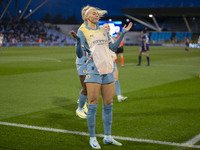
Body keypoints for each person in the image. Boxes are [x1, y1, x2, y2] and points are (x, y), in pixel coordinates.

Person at [70, 6, 132, 149]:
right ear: (86, 17)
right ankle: (92, 138)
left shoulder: (103, 30)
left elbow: (113, 48)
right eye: (93, 13)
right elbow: (80, 54)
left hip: (108, 69)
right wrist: (79, 42)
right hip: (93, 69)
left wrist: (122, 34)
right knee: (92, 105)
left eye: (97, 13)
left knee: (108, 105)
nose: (97, 15)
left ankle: (108, 137)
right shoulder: (82, 30)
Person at [103, 23, 127, 102]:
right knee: (102, 81)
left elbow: (113, 48)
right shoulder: (102, 37)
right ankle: (86, 97)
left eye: (108, 26)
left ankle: (119, 96)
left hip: (112, 61)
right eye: (105, 27)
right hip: (105, 62)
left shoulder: (110, 37)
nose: (107, 28)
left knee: (116, 79)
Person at [75, 23, 88, 119]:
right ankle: (80, 108)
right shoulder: (82, 29)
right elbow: (79, 52)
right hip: (83, 62)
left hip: (92, 61)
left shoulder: (94, 29)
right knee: (86, 87)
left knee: (91, 87)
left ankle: (84, 103)